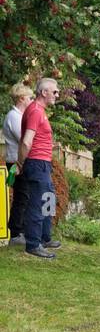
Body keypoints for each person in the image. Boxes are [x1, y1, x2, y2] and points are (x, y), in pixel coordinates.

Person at [16, 77, 62, 260]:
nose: (57, 95)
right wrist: (21, 163)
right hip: (36, 163)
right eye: (55, 91)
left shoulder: (39, 111)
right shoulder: (35, 111)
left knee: (48, 199)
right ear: (44, 92)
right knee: (38, 202)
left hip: (42, 163)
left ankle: (45, 237)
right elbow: (26, 141)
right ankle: (33, 245)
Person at [5, 83, 33, 244]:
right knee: (22, 197)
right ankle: (16, 233)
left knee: (24, 196)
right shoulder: (14, 117)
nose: (32, 100)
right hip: (17, 162)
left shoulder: (19, 116)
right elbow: (23, 140)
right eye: (30, 97)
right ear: (21, 98)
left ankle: (20, 230)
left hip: (20, 161)